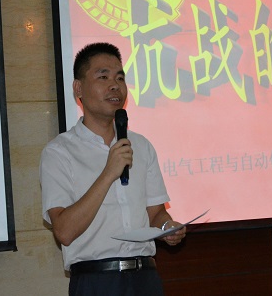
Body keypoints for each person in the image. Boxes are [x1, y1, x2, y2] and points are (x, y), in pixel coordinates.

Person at [40, 42, 185, 296]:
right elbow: (64, 231)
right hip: (96, 281)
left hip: (145, 278)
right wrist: (109, 172)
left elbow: (155, 213)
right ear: (78, 88)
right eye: (103, 77)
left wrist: (166, 228)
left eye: (120, 78)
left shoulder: (141, 145)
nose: (115, 86)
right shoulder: (59, 152)